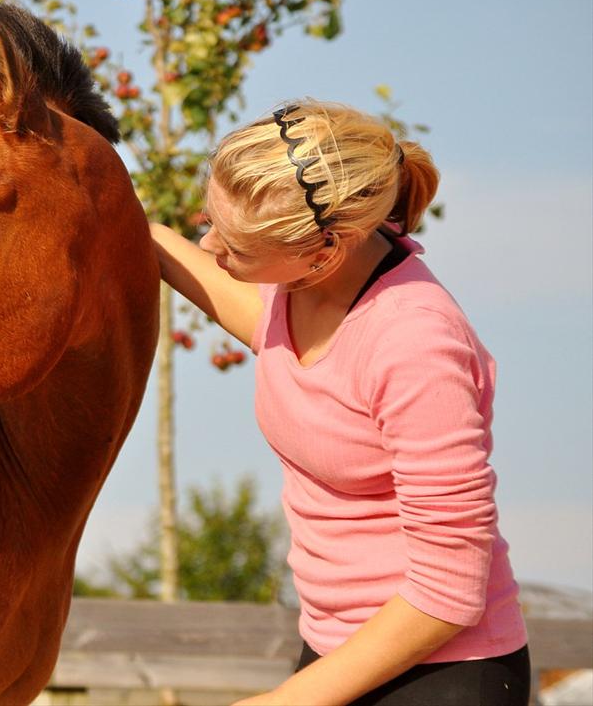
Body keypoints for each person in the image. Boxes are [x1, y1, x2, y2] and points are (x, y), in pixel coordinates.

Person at [149, 100, 529, 706]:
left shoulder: (415, 342)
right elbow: (252, 314)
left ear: (324, 252)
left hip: (441, 673)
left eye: (237, 246)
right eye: (208, 218)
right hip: (333, 649)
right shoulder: (301, 288)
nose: (210, 243)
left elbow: (451, 589)